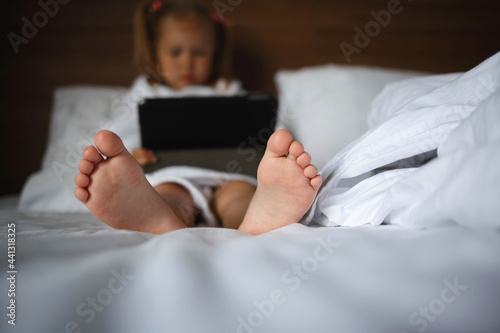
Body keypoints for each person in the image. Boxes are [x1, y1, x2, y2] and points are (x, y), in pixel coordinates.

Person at [74, 129, 322, 235]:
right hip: (176, 174)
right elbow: (121, 140)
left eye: (198, 53)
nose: (187, 63)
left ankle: (252, 222)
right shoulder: (146, 96)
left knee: (239, 196)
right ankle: (161, 218)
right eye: (176, 52)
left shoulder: (237, 93)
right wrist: (137, 155)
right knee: (171, 193)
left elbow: (275, 136)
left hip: (233, 176)